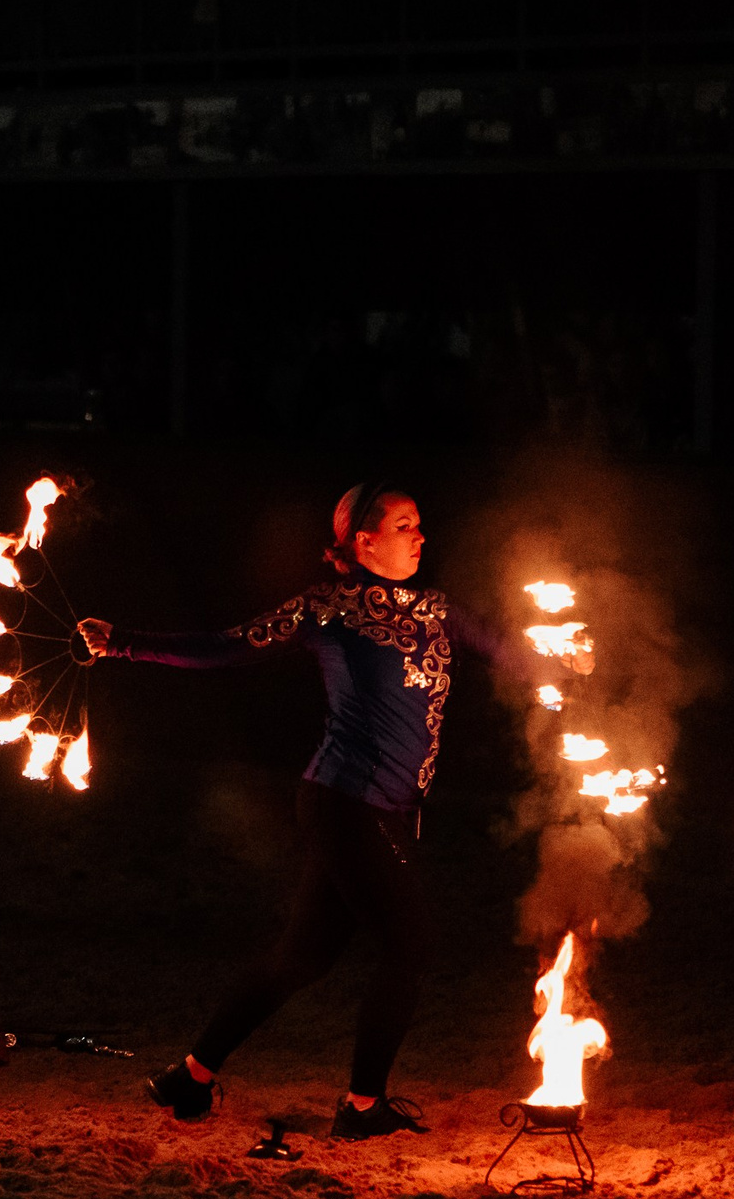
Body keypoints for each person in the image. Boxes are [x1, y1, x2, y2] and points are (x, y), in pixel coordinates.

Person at [78, 484, 523, 1140]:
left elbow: (502, 648)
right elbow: (225, 645)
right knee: (410, 943)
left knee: (302, 956)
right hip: (343, 801)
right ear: (363, 543)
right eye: (405, 526)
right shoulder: (327, 609)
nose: (420, 537)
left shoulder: (436, 610)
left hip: (387, 811)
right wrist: (124, 642)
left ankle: (190, 1077)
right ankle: (362, 1107)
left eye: (420, 525)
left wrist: (563, 664)